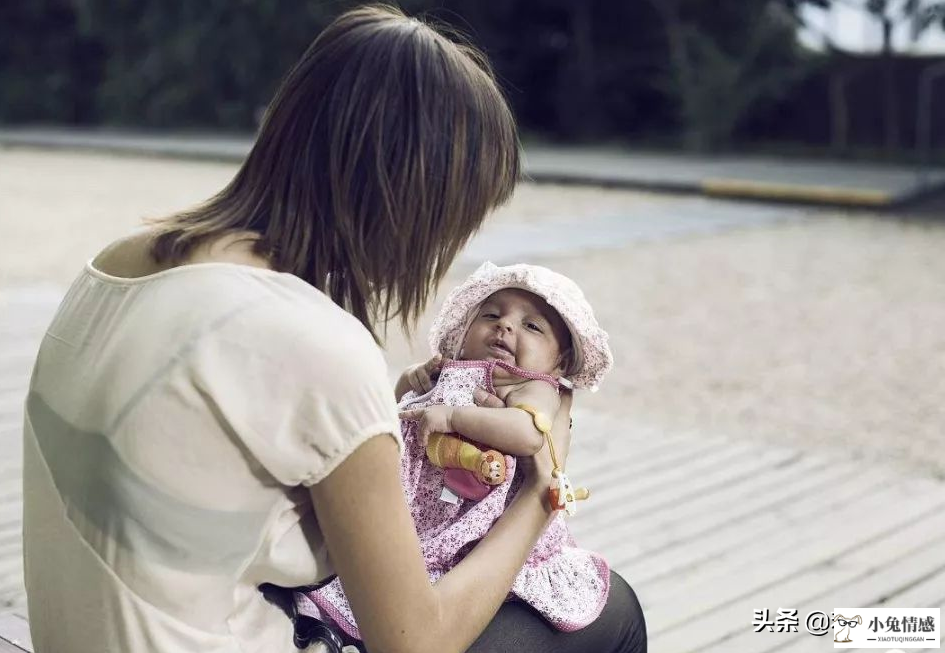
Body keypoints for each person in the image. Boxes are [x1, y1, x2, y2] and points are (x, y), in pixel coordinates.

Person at [21, 5, 646, 653]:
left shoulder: (117, 263)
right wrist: (543, 493)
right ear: (415, 205)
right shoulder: (313, 344)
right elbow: (415, 643)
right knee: (613, 610)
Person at [301, 262, 616, 642]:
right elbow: (400, 413)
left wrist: (453, 415)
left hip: (473, 524)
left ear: (560, 361)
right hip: (418, 504)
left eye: (532, 326)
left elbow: (529, 432)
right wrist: (408, 384)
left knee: (419, 571)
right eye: (492, 314)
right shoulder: (451, 369)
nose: (505, 326)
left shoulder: (533, 387)